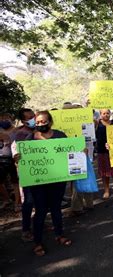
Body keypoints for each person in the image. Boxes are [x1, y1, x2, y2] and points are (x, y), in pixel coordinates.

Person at [17, 111, 72, 256]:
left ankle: (59, 235)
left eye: (43, 121)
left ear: (50, 122)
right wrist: (18, 158)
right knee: (40, 211)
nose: (40, 124)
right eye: (38, 122)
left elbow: (70, 151)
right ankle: (38, 242)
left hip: (57, 180)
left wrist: (81, 152)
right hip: (38, 182)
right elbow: (23, 159)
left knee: (56, 209)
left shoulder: (60, 135)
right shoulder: (30, 139)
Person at [12, 108, 36, 242]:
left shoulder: (40, 131)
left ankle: (39, 223)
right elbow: (16, 153)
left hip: (42, 171)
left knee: (40, 201)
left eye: (33, 116)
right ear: (23, 121)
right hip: (28, 173)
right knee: (28, 201)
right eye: (29, 117)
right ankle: (26, 229)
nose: (32, 118)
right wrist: (16, 157)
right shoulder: (20, 134)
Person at [95, 109, 113, 199]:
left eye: (107, 113)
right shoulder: (97, 124)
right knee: (104, 173)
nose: (106, 115)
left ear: (110, 114)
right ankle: (106, 190)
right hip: (102, 152)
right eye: (104, 113)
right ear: (100, 114)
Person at [0, 113, 21, 211]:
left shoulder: (17, 131)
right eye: (2, 118)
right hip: (1, 160)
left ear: (11, 119)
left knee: (15, 182)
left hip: (13, 159)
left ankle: (17, 203)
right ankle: (6, 199)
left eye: (6, 118)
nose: (4, 120)